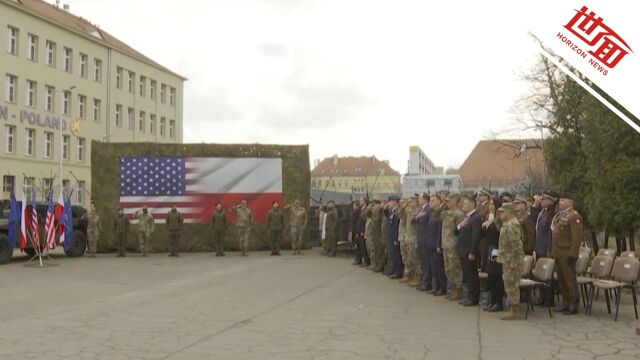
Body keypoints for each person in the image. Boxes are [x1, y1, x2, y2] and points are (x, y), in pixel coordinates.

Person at [552, 193, 584, 315]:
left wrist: (573, 254)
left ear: (570, 202)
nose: (560, 202)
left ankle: (573, 304)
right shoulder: (561, 215)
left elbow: (576, 238)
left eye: (563, 200)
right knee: (561, 279)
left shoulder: (575, 216)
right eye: (560, 200)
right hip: (559, 253)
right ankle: (566, 302)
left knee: (569, 279)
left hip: (567, 254)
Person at [496, 202, 525, 320]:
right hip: (506, 258)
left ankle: (515, 309)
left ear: (509, 212)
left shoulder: (512, 224)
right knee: (508, 283)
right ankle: (513, 307)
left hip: (512, 260)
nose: (500, 214)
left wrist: (514, 261)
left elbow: (516, 245)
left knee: (512, 284)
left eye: (502, 212)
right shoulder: (506, 223)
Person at [455, 195, 483, 306]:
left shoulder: (476, 218)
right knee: (467, 275)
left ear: (472, 204)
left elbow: (475, 237)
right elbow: (455, 232)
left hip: (468, 251)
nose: (463, 205)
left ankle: (473, 298)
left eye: (465, 203)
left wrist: (472, 252)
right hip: (462, 250)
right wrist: (460, 225)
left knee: (471, 275)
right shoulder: (466, 217)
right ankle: (469, 296)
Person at [533, 190, 558, 306]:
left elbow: (550, 234)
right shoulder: (542, 212)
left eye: (544, 199)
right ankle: (541, 297)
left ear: (551, 201)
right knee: (540, 275)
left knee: (547, 275)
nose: (541, 201)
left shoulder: (552, 214)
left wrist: (550, 250)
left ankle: (549, 299)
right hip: (539, 247)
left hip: (546, 248)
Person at [440, 193, 465, 300]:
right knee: (448, 268)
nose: (447, 202)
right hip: (445, 244)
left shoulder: (459, 214)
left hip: (453, 245)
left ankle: (458, 290)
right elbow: (435, 215)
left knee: (455, 268)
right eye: (446, 201)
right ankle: (453, 288)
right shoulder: (446, 213)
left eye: (449, 200)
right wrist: (442, 205)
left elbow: (460, 231)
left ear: (455, 201)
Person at [483, 196, 504, 312]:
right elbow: (485, 232)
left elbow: (496, 231)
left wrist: (491, 220)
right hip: (489, 248)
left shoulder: (499, 219)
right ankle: (492, 300)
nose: (490, 206)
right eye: (489, 204)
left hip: (497, 249)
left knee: (496, 275)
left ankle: (498, 302)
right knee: (490, 275)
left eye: (492, 204)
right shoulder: (490, 217)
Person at [426, 194, 446, 296]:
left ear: (439, 201)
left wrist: (439, 244)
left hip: (436, 244)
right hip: (430, 243)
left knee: (439, 267)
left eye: (433, 201)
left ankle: (442, 287)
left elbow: (439, 230)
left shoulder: (440, 213)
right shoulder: (432, 213)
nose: (431, 203)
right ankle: (437, 286)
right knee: (434, 267)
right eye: (430, 201)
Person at [413, 193, 432, 291]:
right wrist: (417, 216)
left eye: (420, 198)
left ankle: (427, 282)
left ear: (425, 199)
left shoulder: (429, 209)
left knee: (427, 262)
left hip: (425, 239)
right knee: (422, 262)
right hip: (419, 238)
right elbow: (413, 221)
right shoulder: (419, 209)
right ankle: (424, 281)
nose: (418, 200)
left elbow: (430, 226)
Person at [383, 196, 404, 279]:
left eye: (390, 202)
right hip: (390, 235)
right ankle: (394, 270)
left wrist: (396, 238)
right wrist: (385, 209)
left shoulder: (398, 211)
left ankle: (398, 271)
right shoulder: (392, 211)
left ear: (395, 202)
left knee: (396, 255)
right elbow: (387, 216)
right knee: (392, 255)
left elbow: (397, 226)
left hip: (395, 236)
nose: (389, 203)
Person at [402, 197, 420, 286]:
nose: (409, 203)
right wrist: (405, 205)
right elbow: (400, 214)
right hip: (408, 238)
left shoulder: (418, 211)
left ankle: (418, 277)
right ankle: (411, 276)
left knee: (416, 259)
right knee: (410, 259)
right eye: (408, 202)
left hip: (415, 238)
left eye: (410, 202)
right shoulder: (408, 211)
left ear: (416, 202)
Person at [350, 201, 366, 265]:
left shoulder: (359, 212)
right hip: (356, 231)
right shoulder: (355, 212)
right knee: (357, 246)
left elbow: (361, 222)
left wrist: (361, 231)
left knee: (361, 247)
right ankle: (358, 259)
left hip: (359, 231)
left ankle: (363, 260)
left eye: (354, 206)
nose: (353, 207)